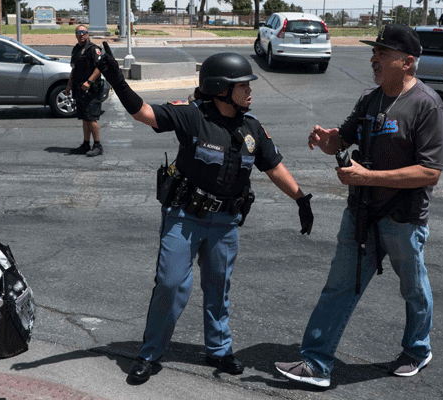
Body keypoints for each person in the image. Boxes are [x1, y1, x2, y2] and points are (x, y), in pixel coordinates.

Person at [95, 46, 315, 384]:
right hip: (184, 217)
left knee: (218, 287)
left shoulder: (252, 128)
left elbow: (273, 166)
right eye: (244, 86)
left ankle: (220, 349)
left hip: (226, 223)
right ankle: (150, 353)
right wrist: (114, 75)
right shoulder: (192, 116)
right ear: (221, 89)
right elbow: (144, 113)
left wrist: (301, 199)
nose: (250, 90)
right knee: (170, 284)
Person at [275, 24, 443, 388]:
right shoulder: (371, 98)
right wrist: (327, 140)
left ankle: (418, 349)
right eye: (375, 53)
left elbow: (430, 172)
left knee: (413, 288)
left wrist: (367, 178)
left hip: (403, 219)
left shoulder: (427, 106)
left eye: (383, 54)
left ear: (408, 62)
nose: (374, 59)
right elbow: (345, 136)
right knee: (339, 286)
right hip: (361, 215)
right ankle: (316, 363)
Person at [66, 24, 105, 157]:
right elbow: (74, 68)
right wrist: (68, 85)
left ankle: (98, 145)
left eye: (83, 32)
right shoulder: (76, 49)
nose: (81, 34)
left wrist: (89, 82)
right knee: (84, 118)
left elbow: (100, 67)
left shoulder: (93, 49)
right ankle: (85, 144)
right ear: (76, 35)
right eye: (78, 32)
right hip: (79, 89)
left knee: (91, 117)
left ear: (88, 34)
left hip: (91, 90)